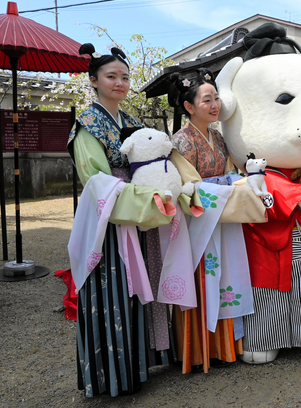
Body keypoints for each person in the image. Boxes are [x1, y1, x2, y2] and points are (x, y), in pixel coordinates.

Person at [67, 44, 179, 397]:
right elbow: (96, 178)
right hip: (111, 216)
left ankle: (143, 362)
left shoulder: (129, 122)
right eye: (111, 76)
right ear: (93, 80)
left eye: (125, 77)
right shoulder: (87, 124)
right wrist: (141, 198)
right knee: (115, 289)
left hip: (138, 209)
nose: (120, 83)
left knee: (143, 283)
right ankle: (114, 374)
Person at [168, 69, 264, 373]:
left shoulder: (218, 136)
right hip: (199, 220)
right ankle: (199, 351)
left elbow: (233, 172)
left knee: (227, 278)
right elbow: (189, 186)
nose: (215, 105)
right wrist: (228, 184)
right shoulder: (180, 142)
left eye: (216, 98)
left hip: (223, 214)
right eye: (207, 100)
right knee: (206, 278)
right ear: (189, 107)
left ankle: (226, 347)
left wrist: (235, 180)